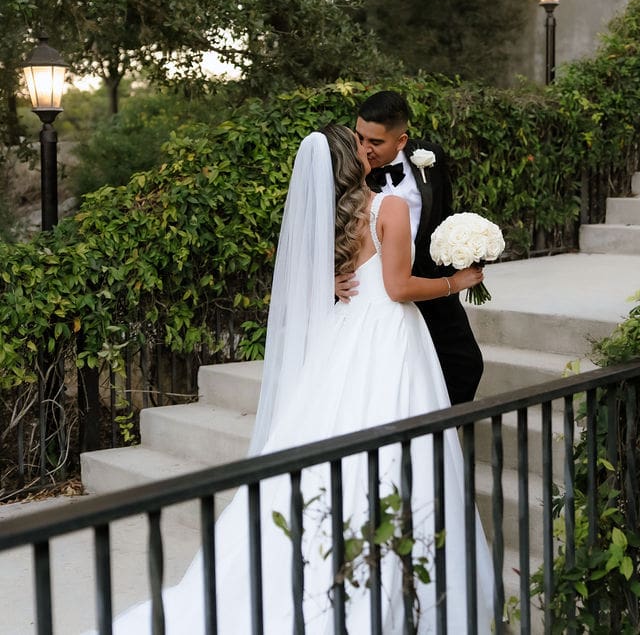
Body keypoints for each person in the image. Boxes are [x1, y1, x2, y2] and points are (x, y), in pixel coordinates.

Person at [97, 125, 495, 633]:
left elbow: (313, 276)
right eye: (359, 143)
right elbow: (397, 288)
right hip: (389, 338)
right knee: (398, 449)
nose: (367, 147)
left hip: (346, 335)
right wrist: (454, 282)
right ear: (352, 159)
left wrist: (329, 282)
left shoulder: (332, 214)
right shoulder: (389, 206)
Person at [346, 91, 485, 405]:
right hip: (375, 290)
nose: (364, 149)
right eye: (360, 137)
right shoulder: (345, 163)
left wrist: (461, 252)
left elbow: (444, 214)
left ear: (401, 140)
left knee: (465, 365)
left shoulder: (430, 157)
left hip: (428, 281)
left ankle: (441, 440)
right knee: (387, 380)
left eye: (375, 142)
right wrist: (331, 277)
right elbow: (325, 229)